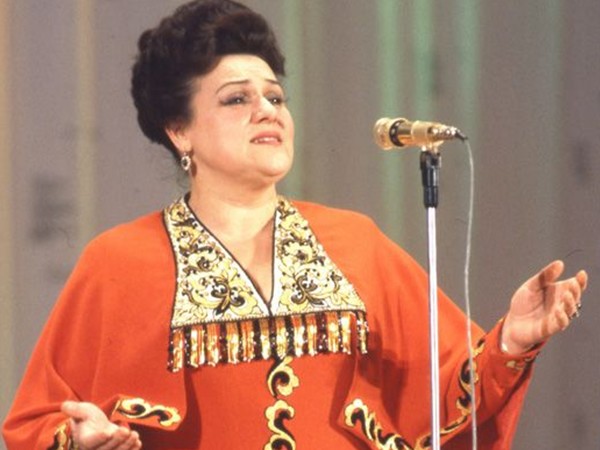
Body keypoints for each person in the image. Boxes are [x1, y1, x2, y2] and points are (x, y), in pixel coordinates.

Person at [2, 1, 588, 449]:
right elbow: (34, 423)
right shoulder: (120, 263)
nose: (267, 111)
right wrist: (77, 439)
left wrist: (513, 339)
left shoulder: (355, 243)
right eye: (236, 100)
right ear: (179, 131)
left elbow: (446, 396)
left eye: (276, 98)